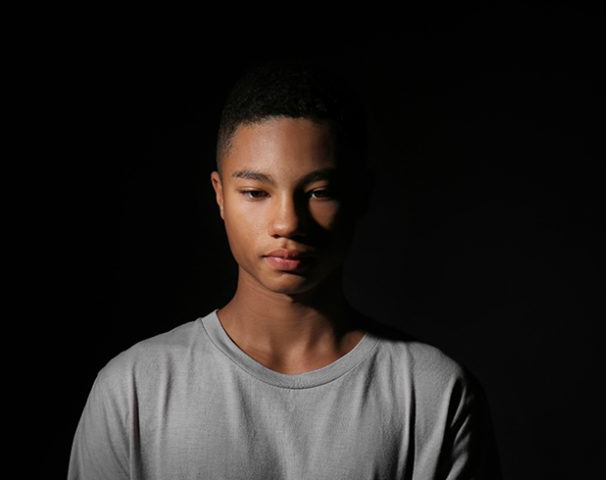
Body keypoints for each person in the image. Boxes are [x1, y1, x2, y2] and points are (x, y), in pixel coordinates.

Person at [68, 58, 501, 480]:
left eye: (319, 191)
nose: (288, 223)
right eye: (256, 192)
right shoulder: (134, 389)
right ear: (220, 195)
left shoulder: (434, 392)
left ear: (362, 194)